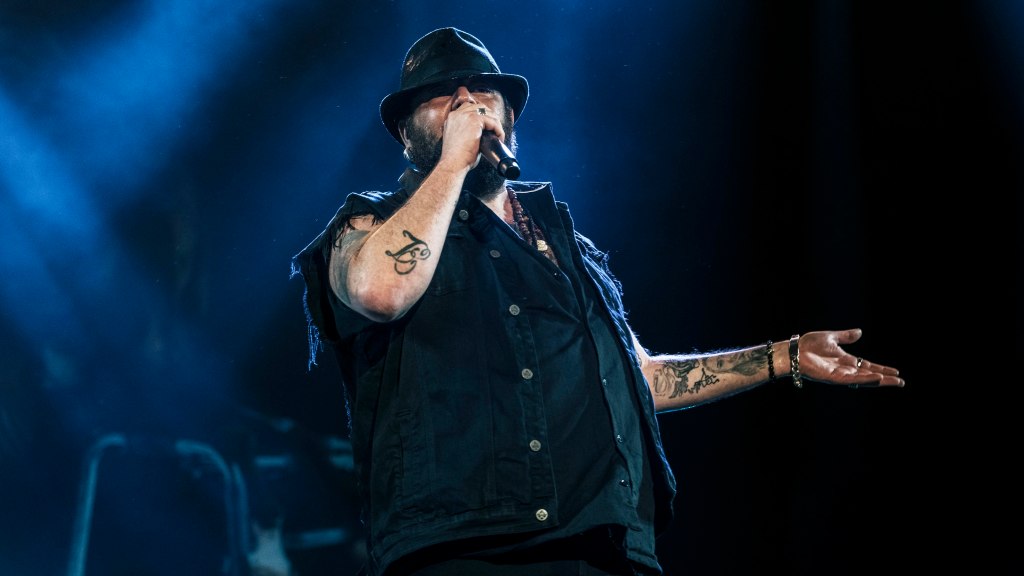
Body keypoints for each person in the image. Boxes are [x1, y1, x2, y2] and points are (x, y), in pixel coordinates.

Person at [290, 27, 904, 576]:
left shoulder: (564, 245)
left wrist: (782, 356)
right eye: (442, 95)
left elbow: (638, 379)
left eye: (482, 91)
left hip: (603, 545)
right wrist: (453, 163)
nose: (466, 102)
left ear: (510, 117)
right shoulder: (369, 224)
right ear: (405, 134)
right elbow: (380, 290)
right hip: (464, 548)